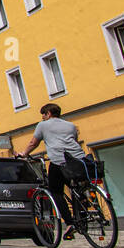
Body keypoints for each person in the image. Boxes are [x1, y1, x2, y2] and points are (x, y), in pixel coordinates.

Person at [20, 102, 90, 239]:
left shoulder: (43, 125)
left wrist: (24, 154)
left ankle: (70, 223)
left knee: (56, 192)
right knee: (77, 189)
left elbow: (33, 143)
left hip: (59, 161)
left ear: (49, 114)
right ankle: (83, 217)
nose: (42, 118)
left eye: (43, 115)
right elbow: (74, 141)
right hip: (78, 160)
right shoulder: (70, 125)